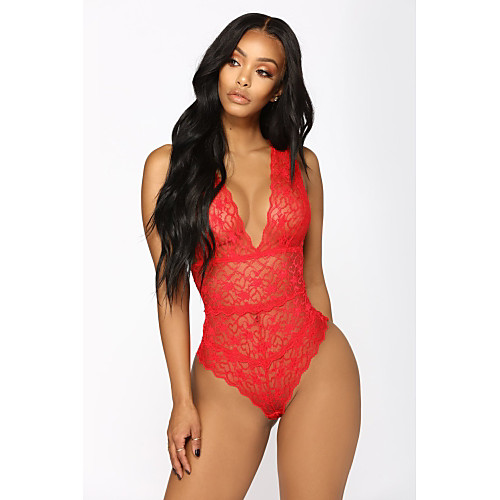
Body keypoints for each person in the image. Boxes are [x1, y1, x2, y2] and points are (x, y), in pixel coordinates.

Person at [141, 13, 361, 500]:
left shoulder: (303, 166)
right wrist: (182, 401)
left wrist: (307, 353)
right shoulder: (168, 167)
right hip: (226, 374)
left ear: (278, 89)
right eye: (234, 62)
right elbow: (171, 293)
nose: (242, 79)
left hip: (315, 363)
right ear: (217, 66)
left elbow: (314, 278)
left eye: (262, 71)